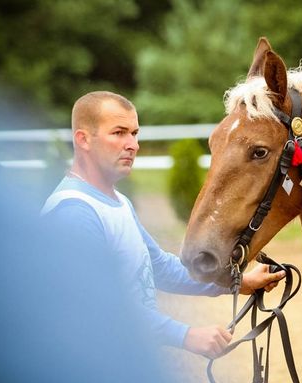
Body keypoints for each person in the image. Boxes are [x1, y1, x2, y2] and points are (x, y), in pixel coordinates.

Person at [41, 91, 284, 359]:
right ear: (83, 139)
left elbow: (160, 268)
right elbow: (99, 304)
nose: (133, 145)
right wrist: (184, 335)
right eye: (119, 133)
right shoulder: (74, 213)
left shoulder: (117, 202)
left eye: (134, 133)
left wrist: (237, 283)